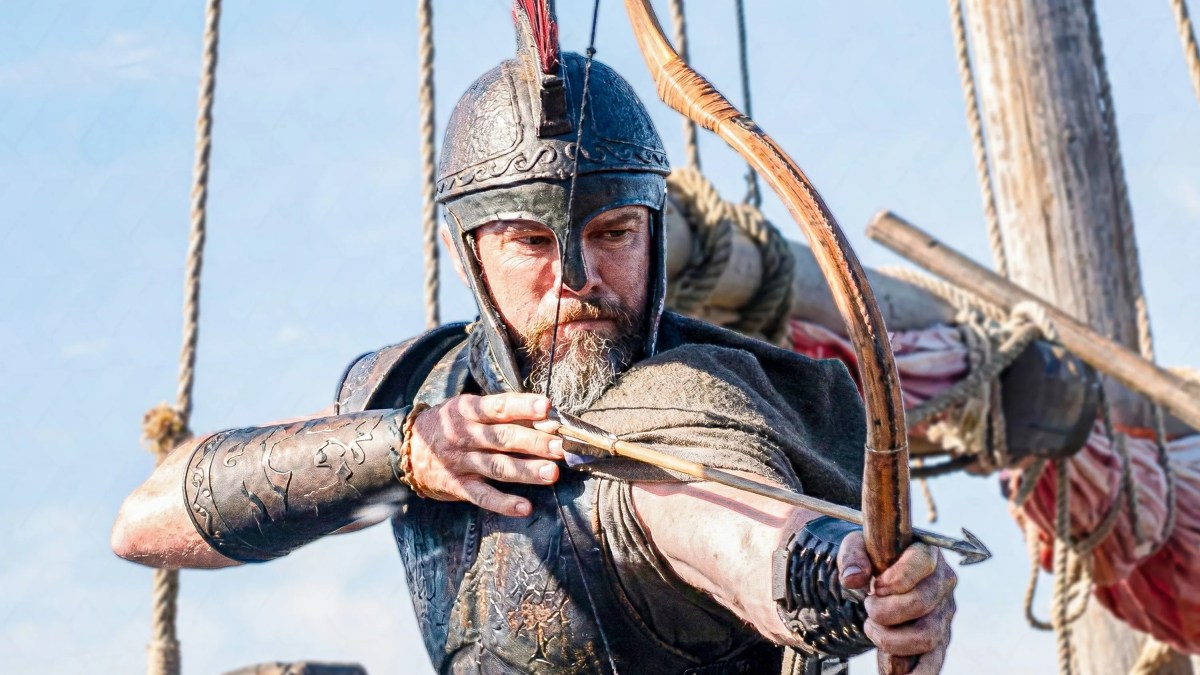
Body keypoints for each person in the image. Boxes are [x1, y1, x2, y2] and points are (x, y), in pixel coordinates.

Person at [113, 11, 955, 674]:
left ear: (655, 234)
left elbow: (728, 525)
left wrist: (850, 578)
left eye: (614, 232)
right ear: (468, 253)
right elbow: (146, 521)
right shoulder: (423, 389)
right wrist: (404, 451)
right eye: (531, 242)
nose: (578, 277)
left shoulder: (708, 393)